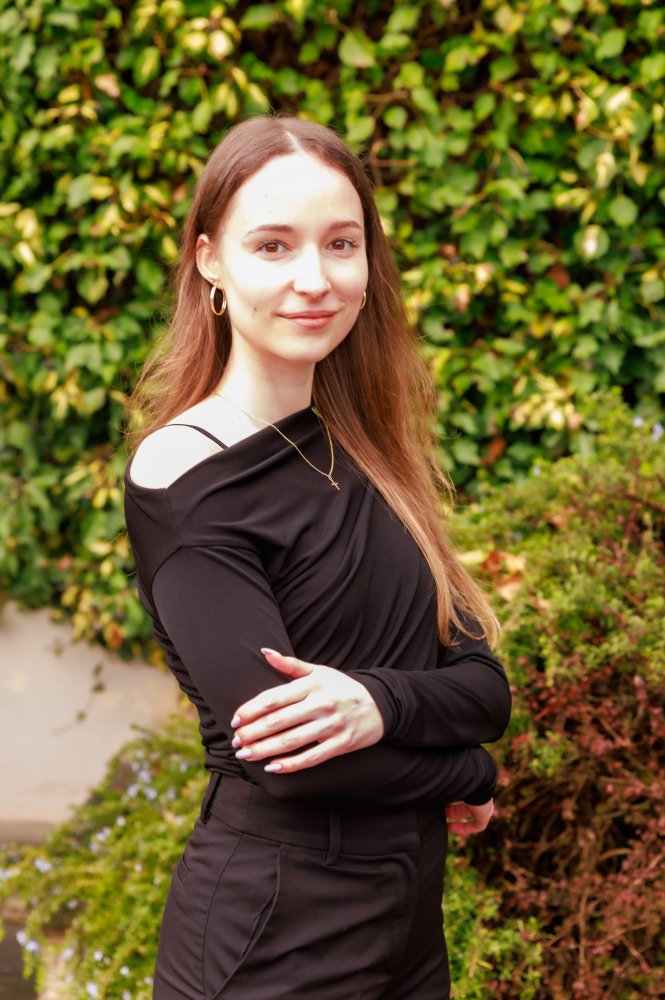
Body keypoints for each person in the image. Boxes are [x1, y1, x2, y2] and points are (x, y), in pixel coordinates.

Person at [123, 114, 511, 1000]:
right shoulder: (186, 475)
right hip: (273, 939)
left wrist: (377, 703)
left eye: (341, 244)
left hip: (407, 928)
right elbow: (293, 764)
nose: (315, 279)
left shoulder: (362, 449)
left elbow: (483, 687)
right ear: (209, 261)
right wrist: (470, 770)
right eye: (273, 246)